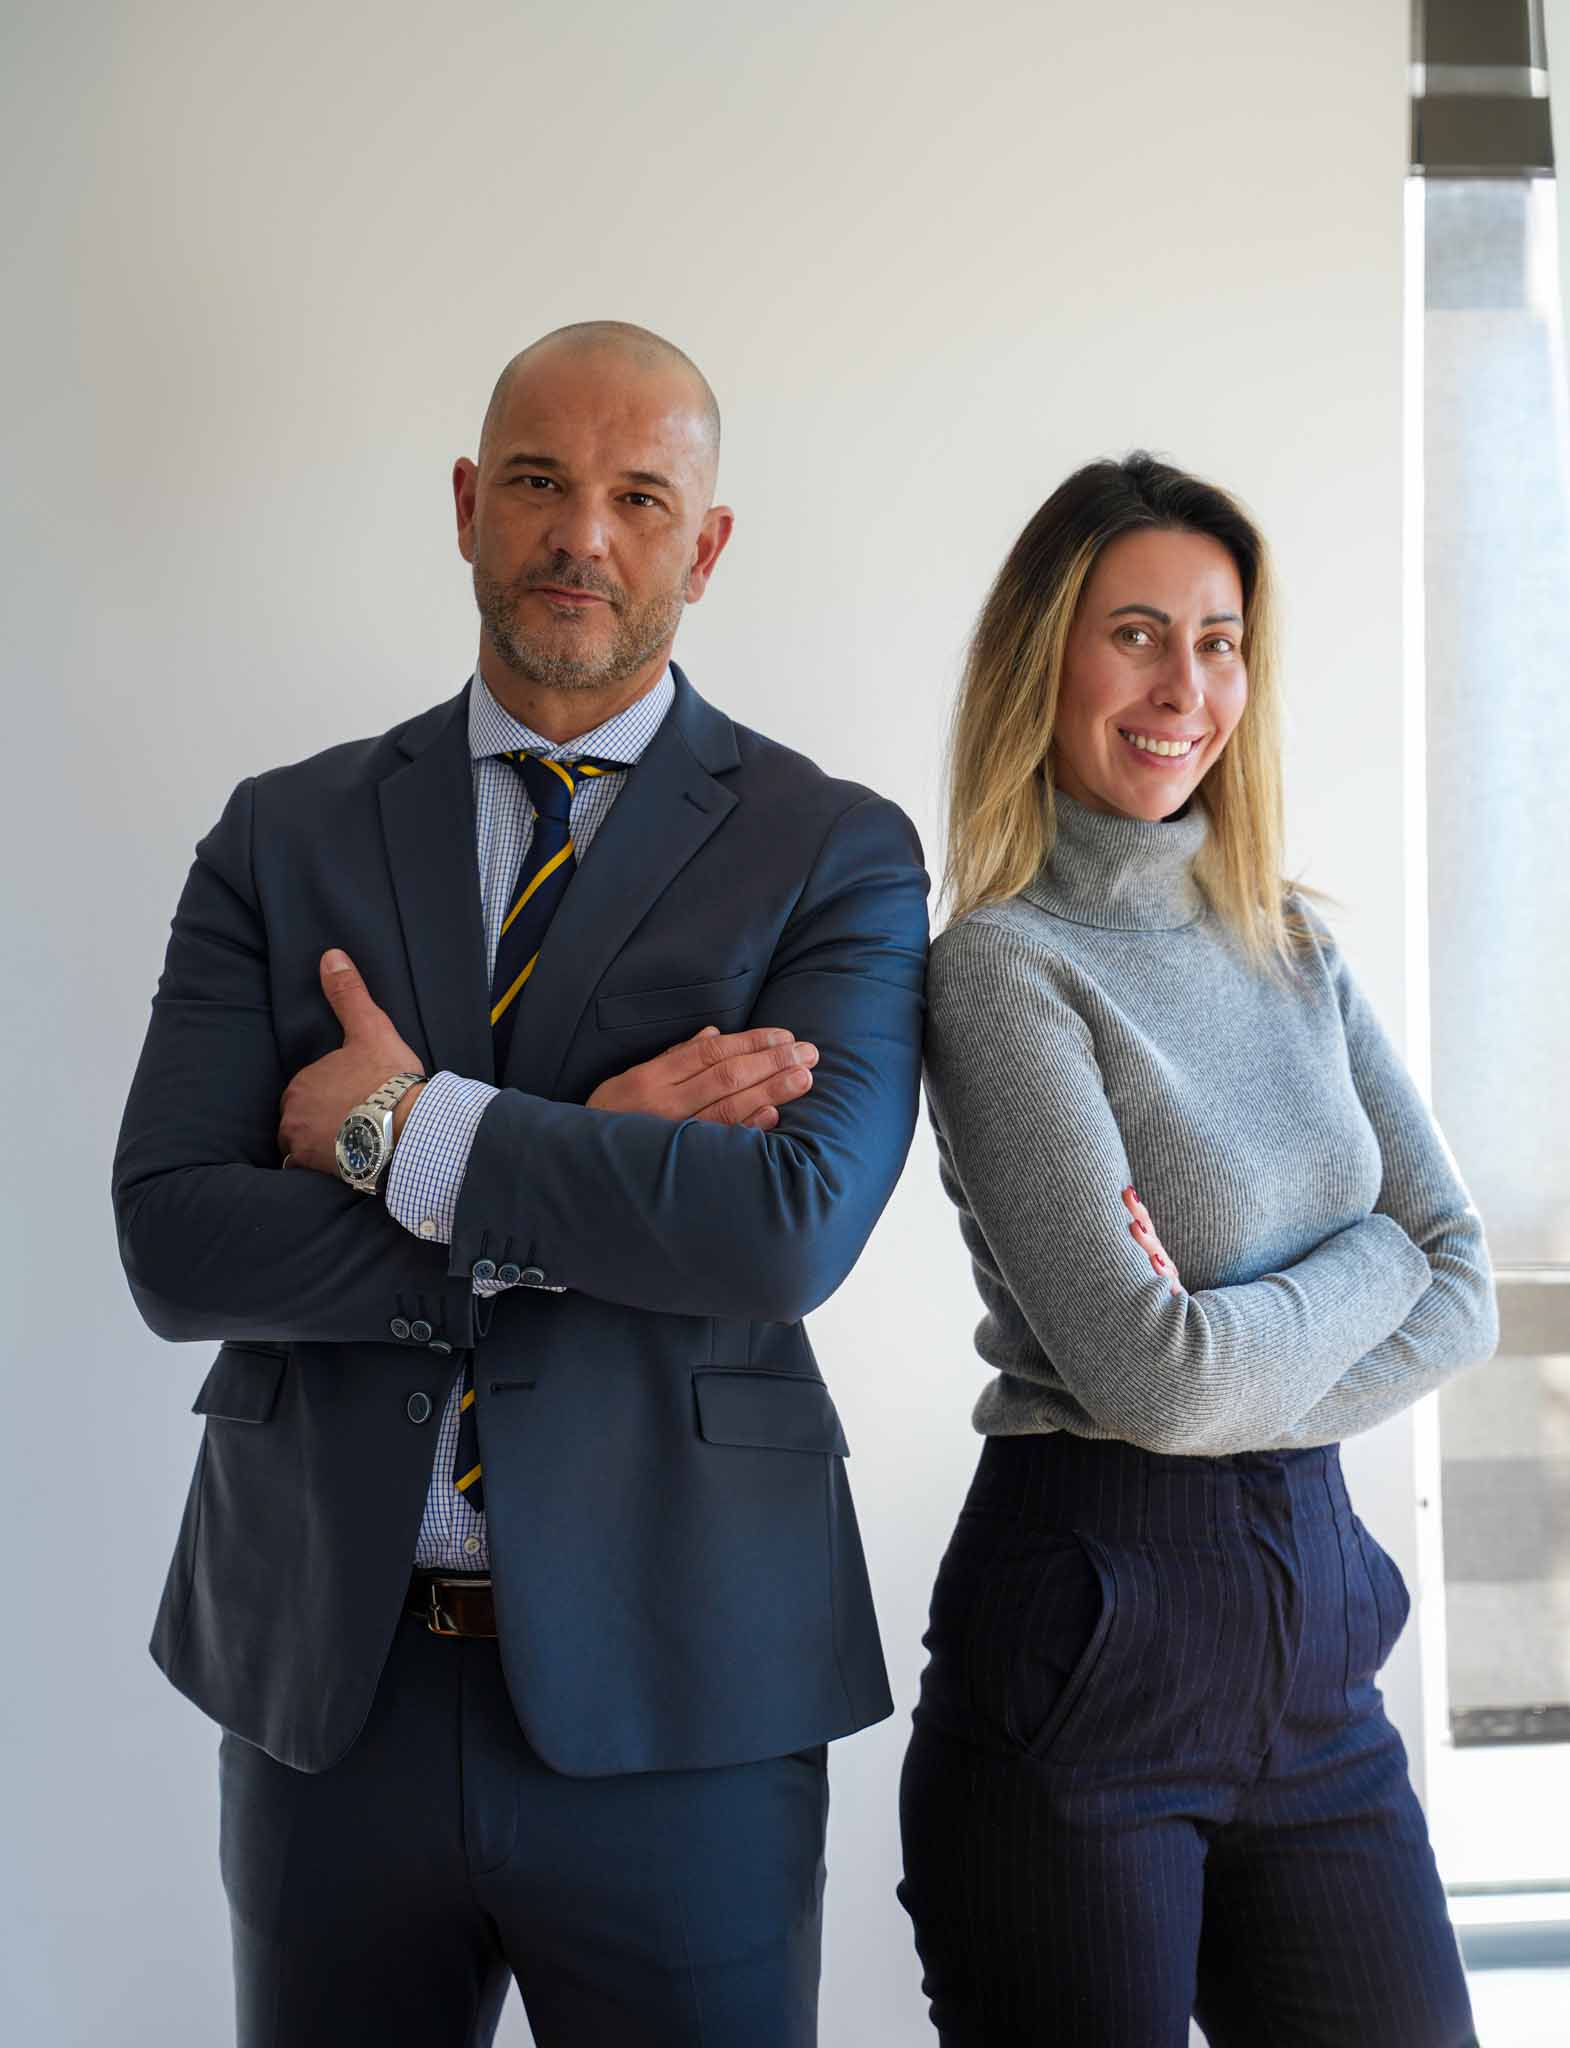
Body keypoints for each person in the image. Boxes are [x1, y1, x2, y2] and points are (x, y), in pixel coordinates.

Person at [112, 320, 929, 2047]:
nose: (583, 536)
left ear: (706, 544)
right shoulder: (282, 832)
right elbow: (173, 1240)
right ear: (469, 504)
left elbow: (783, 1233)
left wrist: (401, 1135)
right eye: (542, 484)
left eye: (641, 498)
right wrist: (598, 1165)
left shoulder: (832, 848)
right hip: (330, 1689)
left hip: (685, 1687)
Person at [896, 452, 1496, 2047]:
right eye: (1136, 635)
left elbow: (1463, 1288)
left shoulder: (1290, 944)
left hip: (1319, 1648)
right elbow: (1157, 1384)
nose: (1183, 689)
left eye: (1217, 642)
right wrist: (1369, 1258)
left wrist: (1246, 1338)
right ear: (1043, 660)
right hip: (1085, 1649)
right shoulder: (1002, 971)